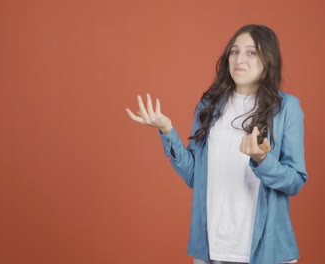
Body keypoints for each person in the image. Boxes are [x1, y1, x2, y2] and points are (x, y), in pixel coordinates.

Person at [125, 24, 307, 264]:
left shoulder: (286, 108)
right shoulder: (209, 105)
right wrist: (166, 129)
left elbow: (295, 182)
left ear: (268, 60)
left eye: (251, 52)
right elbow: (194, 177)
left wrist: (263, 161)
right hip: (213, 250)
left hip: (267, 252)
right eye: (234, 51)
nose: (239, 58)